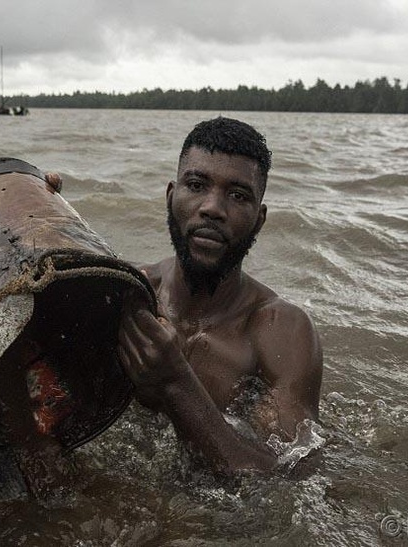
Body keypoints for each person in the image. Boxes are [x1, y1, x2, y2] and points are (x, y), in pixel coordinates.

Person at [117, 116, 323, 474]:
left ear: (259, 219)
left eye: (237, 195)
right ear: (170, 196)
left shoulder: (279, 331)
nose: (213, 207)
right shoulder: (129, 293)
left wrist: (176, 384)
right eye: (196, 184)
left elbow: (287, 476)